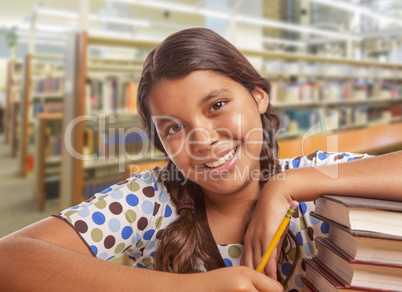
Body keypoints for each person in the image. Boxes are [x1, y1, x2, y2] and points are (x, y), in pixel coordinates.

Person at [0, 27, 401, 292]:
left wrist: (285, 185)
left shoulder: (313, 179)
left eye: (218, 105)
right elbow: (10, 257)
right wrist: (195, 288)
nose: (204, 140)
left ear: (258, 96)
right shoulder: (151, 200)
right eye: (173, 128)